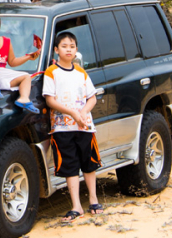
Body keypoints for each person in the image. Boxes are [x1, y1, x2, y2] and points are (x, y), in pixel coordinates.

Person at [43, 32, 104, 222]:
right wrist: (72, 114)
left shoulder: (81, 72)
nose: (68, 49)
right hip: (62, 128)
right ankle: (76, 205)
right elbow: (50, 100)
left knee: (88, 163)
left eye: (71, 46)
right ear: (56, 50)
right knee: (70, 165)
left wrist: (83, 113)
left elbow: (92, 97)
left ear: (76, 49)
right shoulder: (51, 72)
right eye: (64, 46)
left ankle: (93, 200)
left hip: (84, 127)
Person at [0, 12, 40, 111]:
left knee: (26, 77)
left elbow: (12, 62)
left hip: (0, 78)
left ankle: (24, 98)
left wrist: (27, 57)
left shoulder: (6, 42)